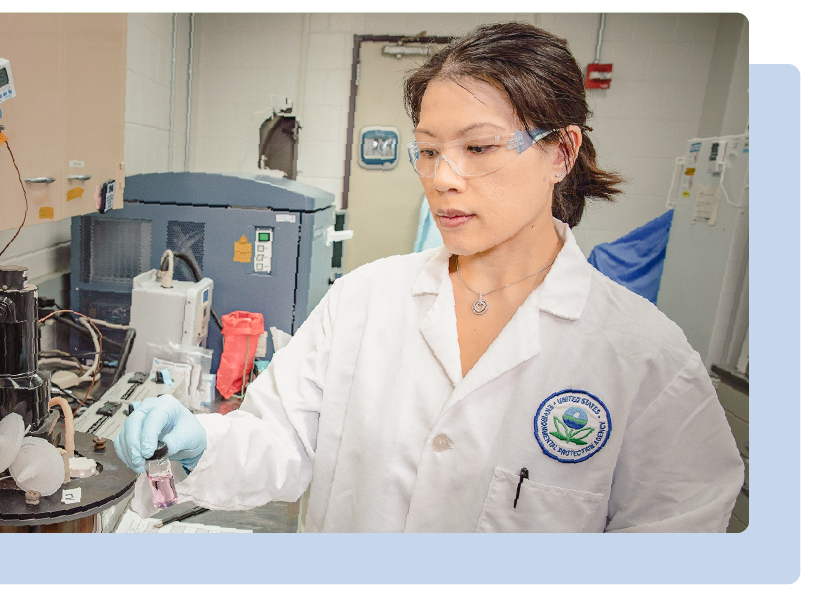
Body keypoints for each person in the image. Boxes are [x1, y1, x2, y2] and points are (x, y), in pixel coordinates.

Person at [116, 22, 744, 532]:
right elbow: (280, 442)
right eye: (428, 149)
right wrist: (205, 443)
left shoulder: (646, 360)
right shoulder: (366, 299)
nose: (443, 177)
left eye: (479, 147)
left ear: (561, 152)